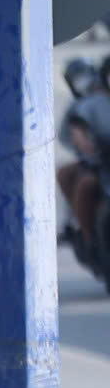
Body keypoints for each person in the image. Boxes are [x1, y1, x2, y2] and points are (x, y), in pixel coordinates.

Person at [60, 59, 110, 251]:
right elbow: (72, 132)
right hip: (100, 165)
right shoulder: (86, 104)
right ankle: (89, 241)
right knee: (79, 182)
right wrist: (86, 147)